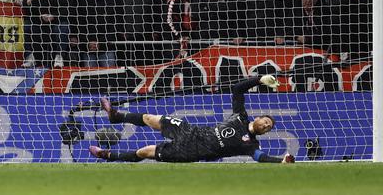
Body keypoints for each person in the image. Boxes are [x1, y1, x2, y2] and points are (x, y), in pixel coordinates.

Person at [89, 75, 296, 164]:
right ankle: (116, 116)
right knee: (151, 118)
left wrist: (281, 160)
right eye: (266, 122)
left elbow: (261, 158)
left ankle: (108, 155)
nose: (265, 126)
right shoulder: (240, 116)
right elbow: (237, 89)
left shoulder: (250, 145)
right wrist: (259, 80)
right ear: (258, 118)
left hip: (190, 151)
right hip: (190, 130)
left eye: (268, 128)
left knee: (144, 152)